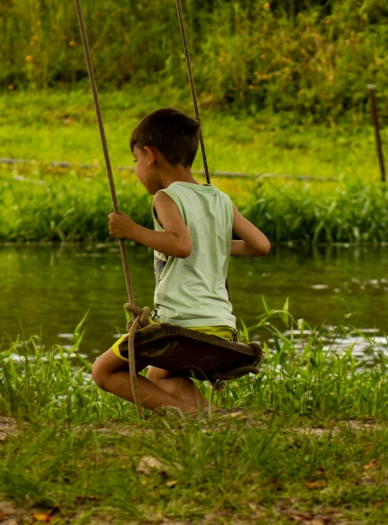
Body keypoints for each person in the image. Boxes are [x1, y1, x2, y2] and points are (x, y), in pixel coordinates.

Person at [91, 108, 270, 413]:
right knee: (161, 376)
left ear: (150, 155)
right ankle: (213, 418)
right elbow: (260, 245)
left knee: (104, 372)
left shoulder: (166, 197)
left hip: (182, 323)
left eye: (135, 160)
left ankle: (187, 417)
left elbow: (182, 245)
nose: (136, 169)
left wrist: (133, 230)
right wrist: (212, 246)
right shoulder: (219, 198)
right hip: (220, 326)